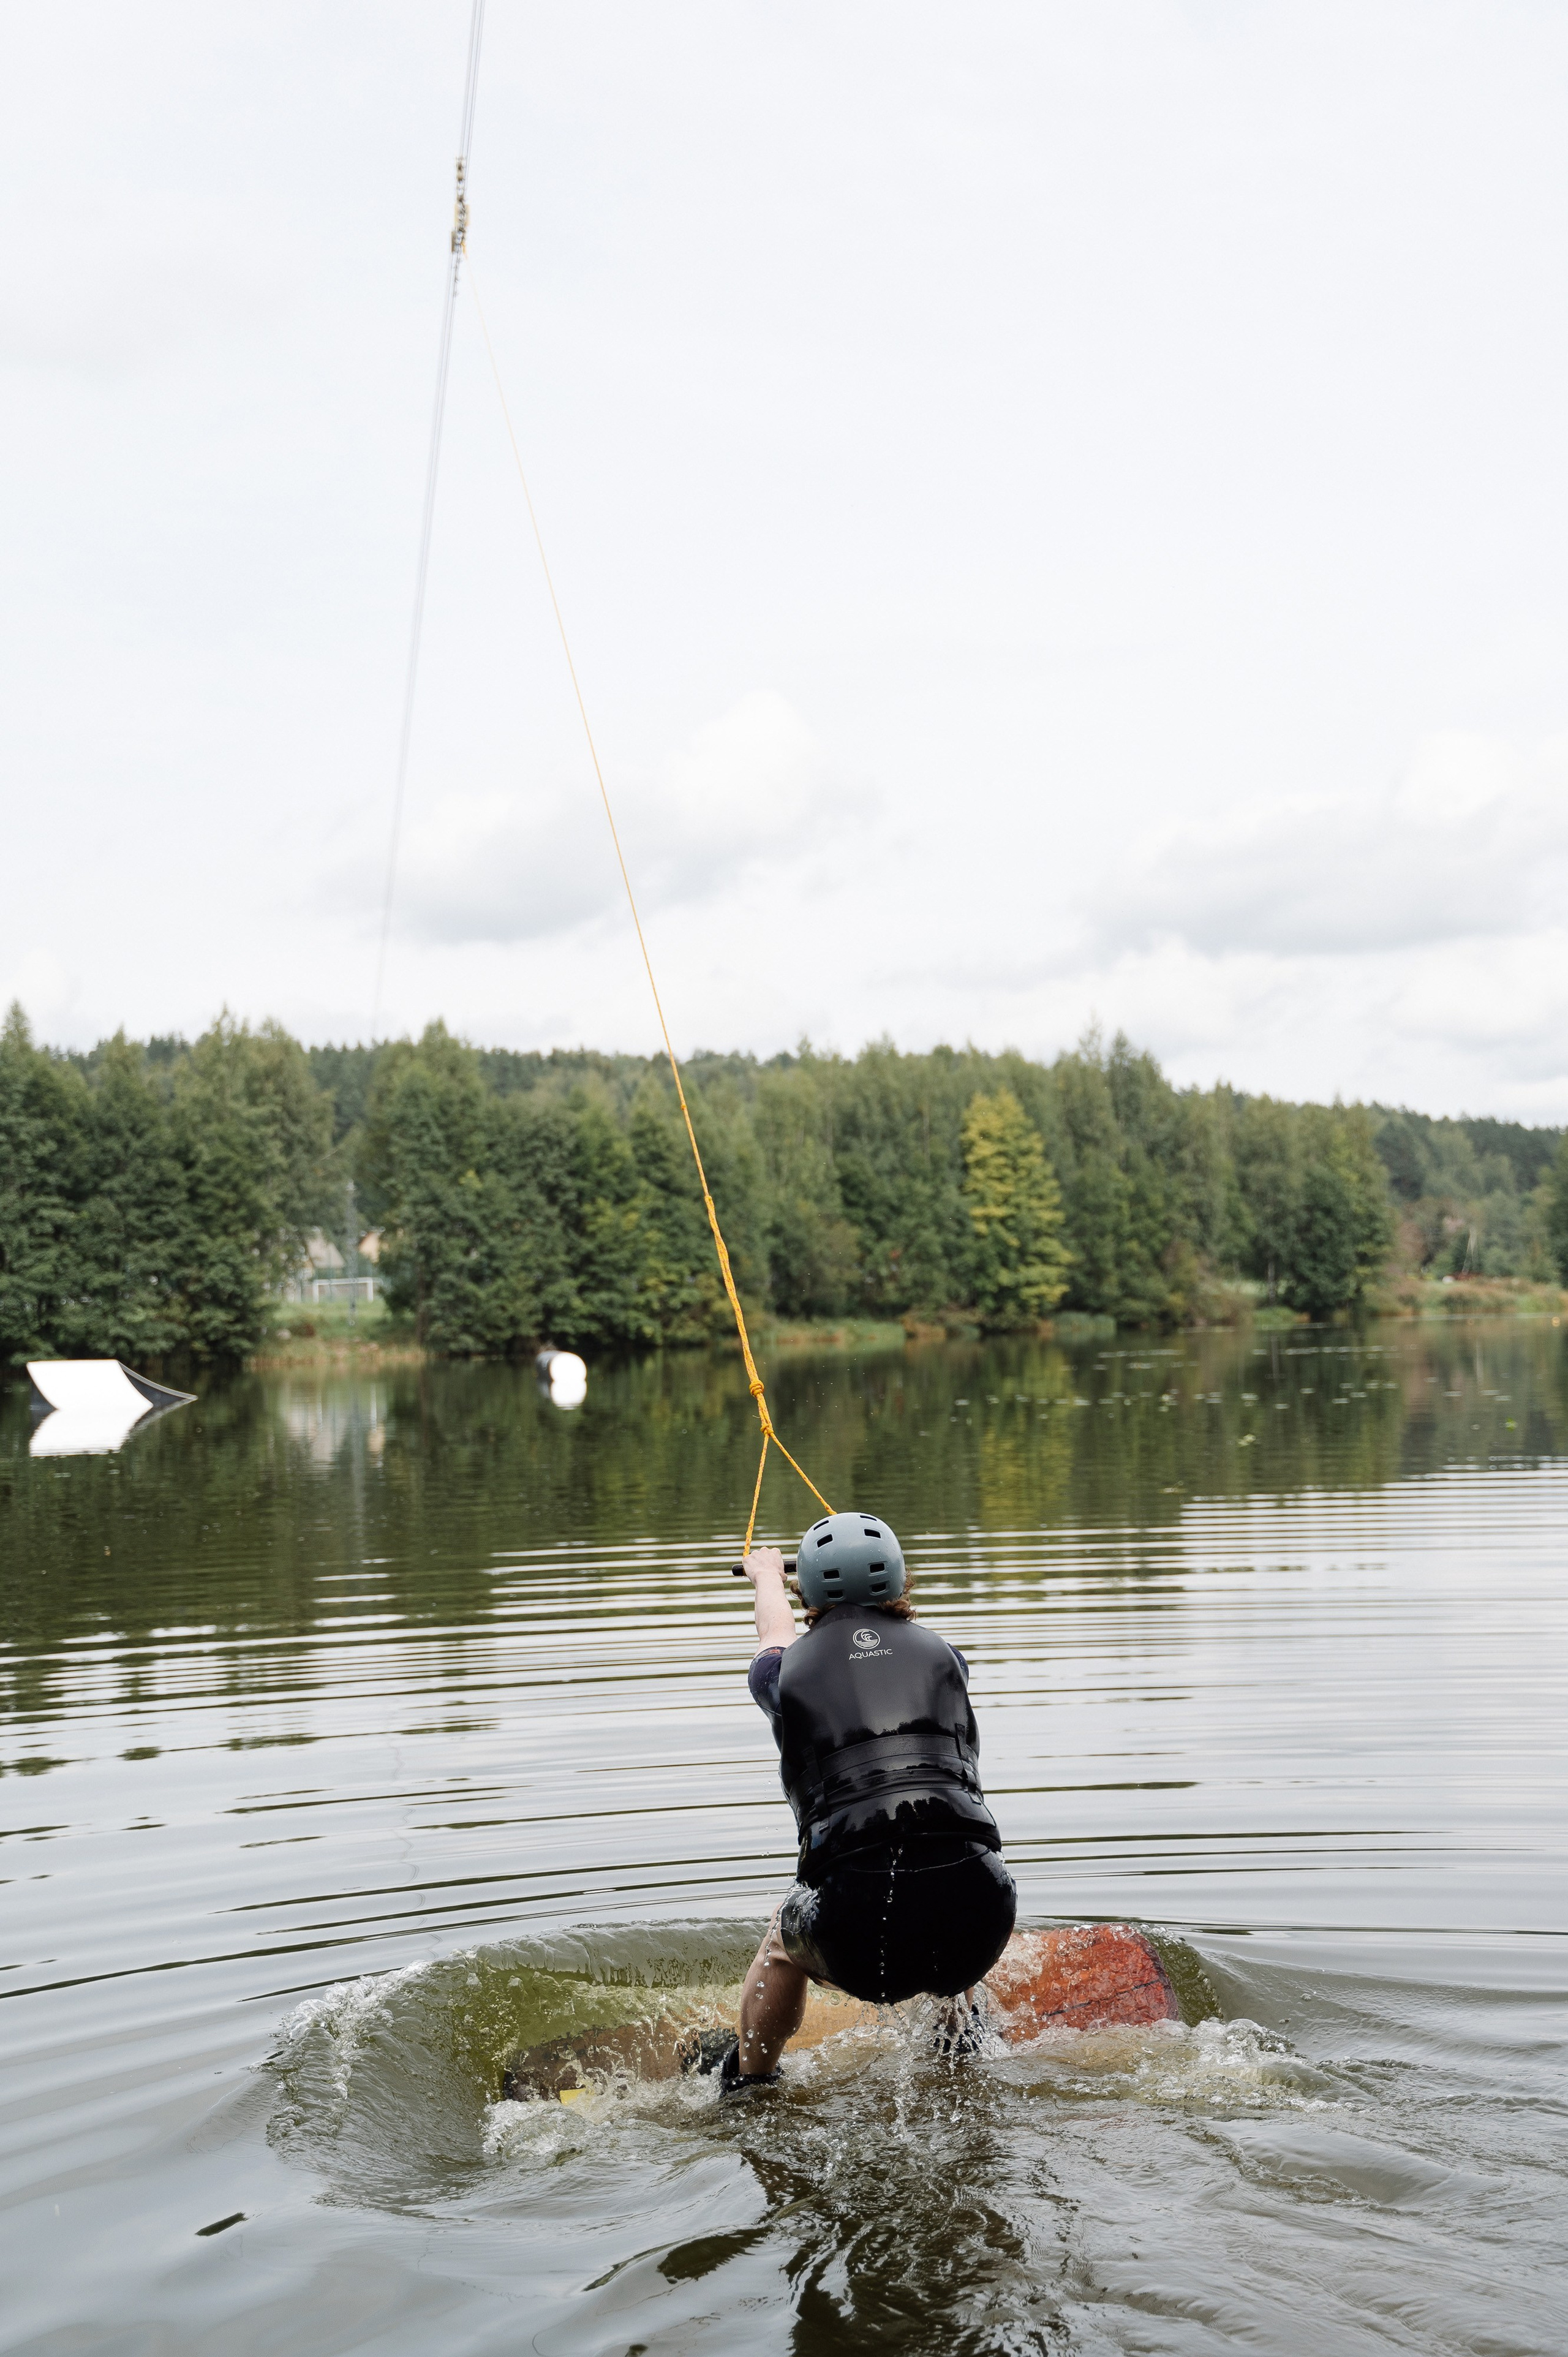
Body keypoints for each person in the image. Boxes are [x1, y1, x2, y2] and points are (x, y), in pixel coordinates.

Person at [722, 1508, 1016, 2093]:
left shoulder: (779, 1677)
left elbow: (773, 1637)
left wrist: (765, 1579)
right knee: (938, 1849)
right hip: (985, 1920)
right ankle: (959, 2038)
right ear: (901, 1581)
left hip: (857, 1936)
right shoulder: (947, 1657)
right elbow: (887, 1646)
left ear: (807, 1589)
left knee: (783, 1943)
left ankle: (750, 2082)